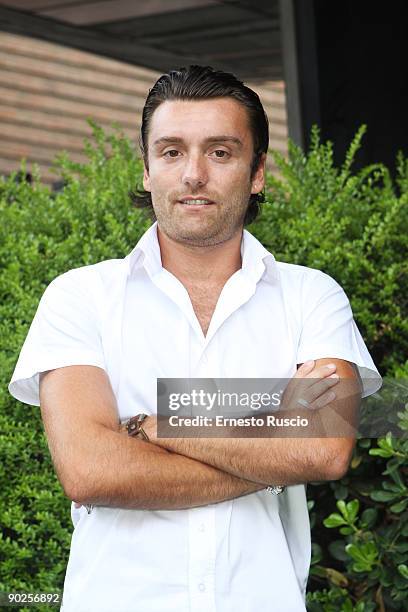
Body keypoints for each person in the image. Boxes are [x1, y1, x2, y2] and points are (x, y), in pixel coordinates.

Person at [8, 65, 382, 612]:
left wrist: (153, 426)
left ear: (257, 173)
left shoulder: (310, 297)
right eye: (172, 152)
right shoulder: (80, 297)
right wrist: (270, 444)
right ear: (146, 168)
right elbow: (90, 470)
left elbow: (323, 450)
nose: (193, 175)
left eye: (221, 153)